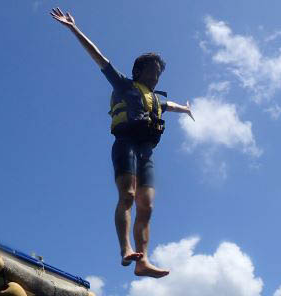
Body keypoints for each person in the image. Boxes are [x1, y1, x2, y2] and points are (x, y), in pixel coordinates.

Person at [50, 7, 194, 278]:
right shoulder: (123, 85)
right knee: (127, 195)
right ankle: (126, 249)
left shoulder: (156, 100)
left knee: (147, 204)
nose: (156, 75)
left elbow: (168, 105)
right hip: (126, 142)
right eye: (152, 70)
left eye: (159, 72)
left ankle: (143, 261)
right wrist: (73, 28)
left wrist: (185, 109)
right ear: (139, 71)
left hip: (146, 151)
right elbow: (99, 58)